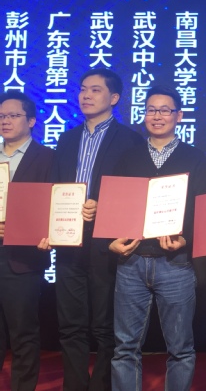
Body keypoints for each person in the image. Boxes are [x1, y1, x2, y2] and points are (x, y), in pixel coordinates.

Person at [38, 68, 144, 391]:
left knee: (104, 327)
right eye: (83, 89)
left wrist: (104, 206)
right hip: (68, 242)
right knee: (70, 325)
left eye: (95, 90)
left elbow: (136, 193)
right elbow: (54, 187)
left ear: (114, 98)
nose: (86, 95)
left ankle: (101, 386)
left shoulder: (130, 140)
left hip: (106, 244)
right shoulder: (67, 138)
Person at [108, 85, 206, 390]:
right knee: (125, 348)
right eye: (151, 110)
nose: (157, 116)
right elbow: (115, 204)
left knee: (180, 349)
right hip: (132, 262)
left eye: (165, 110)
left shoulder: (194, 157)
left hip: (175, 263)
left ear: (179, 116)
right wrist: (111, 239)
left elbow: (203, 208)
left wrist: (186, 239)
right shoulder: (128, 157)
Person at [0, 92, 53, 391]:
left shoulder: (48, 158)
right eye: (1, 116)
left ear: (31, 121)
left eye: (13, 115)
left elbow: (55, 204)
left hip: (23, 259)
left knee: (23, 334)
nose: (5, 121)